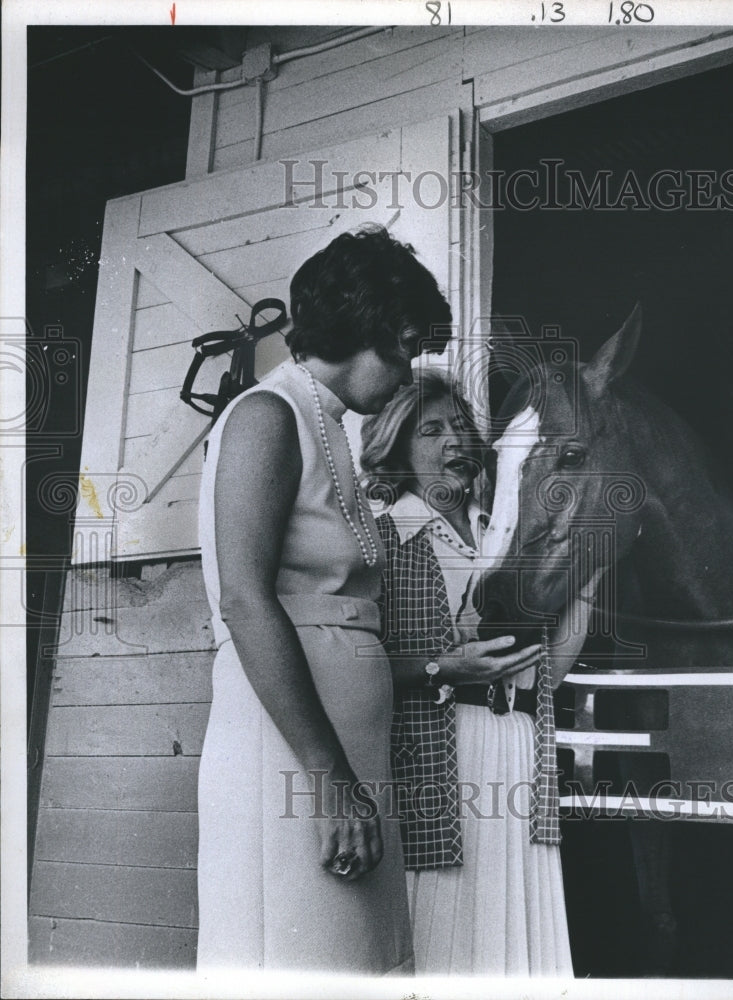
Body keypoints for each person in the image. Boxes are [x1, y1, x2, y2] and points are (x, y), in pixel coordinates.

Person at [195, 227, 452, 973]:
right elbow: (244, 602)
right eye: (402, 346)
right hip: (297, 758)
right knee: (296, 965)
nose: (409, 371)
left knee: (355, 966)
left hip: (344, 753)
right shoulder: (264, 416)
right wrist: (333, 784)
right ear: (357, 326)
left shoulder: (329, 427)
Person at [360, 369, 602, 975]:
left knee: (515, 947)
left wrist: (590, 572)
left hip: (519, 751)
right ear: (396, 449)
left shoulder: (512, 536)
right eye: (431, 430)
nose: (453, 440)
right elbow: (352, 666)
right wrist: (446, 664)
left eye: (461, 426)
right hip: (441, 758)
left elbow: (547, 675)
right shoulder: (382, 539)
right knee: (445, 942)